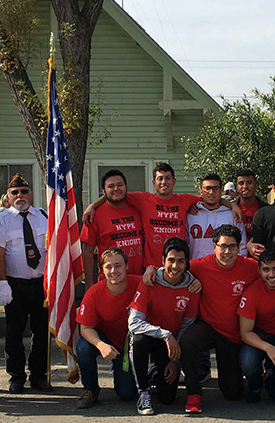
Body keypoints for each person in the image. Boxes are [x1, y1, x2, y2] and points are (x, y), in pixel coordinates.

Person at [83, 162, 240, 275]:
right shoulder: (143, 199)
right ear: (154, 182)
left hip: (177, 266)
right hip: (151, 268)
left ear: (174, 181)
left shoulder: (185, 200)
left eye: (167, 178)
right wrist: (93, 205)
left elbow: (209, 197)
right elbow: (115, 194)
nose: (164, 182)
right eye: (160, 178)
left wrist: (232, 205)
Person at [172, 225, 260, 413]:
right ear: (214, 246)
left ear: (239, 247)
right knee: (187, 341)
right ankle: (194, 394)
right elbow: (171, 269)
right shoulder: (199, 266)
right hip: (208, 326)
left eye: (232, 246)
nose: (227, 251)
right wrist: (151, 272)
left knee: (232, 393)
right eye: (223, 246)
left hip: (234, 334)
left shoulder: (250, 267)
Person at [0, 173, 52, 393]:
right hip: (15, 284)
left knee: (41, 332)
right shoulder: (1, 219)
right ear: (8, 195)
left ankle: (38, 376)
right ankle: (16, 376)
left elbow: (52, 248)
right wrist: (2, 283)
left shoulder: (44, 215)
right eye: (14, 192)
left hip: (41, 284)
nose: (20, 195)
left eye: (24, 191)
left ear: (31, 194)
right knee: (14, 333)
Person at [129, 237, 199, 415]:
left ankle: (155, 372)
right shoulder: (149, 280)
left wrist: (175, 361)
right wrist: (165, 334)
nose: (175, 266)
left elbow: (186, 326)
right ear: (162, 261)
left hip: (170, 344)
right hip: (150, 336)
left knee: (167, 398)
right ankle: (143, 392)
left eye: (181, 261)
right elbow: (134, 323)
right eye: (171, 260)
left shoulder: (191, 287)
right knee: (138, 340)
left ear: (186, 264)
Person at [74, 247, 142, 409]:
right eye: (108, 267)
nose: (113, 271)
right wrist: (101, 345)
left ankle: (142, 374)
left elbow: (168, 280)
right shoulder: (94, 293)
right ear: (102, 270)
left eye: (118, 265)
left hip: (129, 345)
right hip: (105, 339)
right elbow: (85, 328)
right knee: (83, 347)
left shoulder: (141, 283)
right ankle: (90, 389)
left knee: (127, 395)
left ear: (126, 266)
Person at [237, 250, 275, 403]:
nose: (271, 274)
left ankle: (271, 376)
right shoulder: (251, 293)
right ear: (259, 271)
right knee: (248, 362)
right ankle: (256, 386)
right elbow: (245, 333)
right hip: (260, 337)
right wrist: (268, 348)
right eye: (266, 269)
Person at [79, 169, 144, 284]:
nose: (116, 189)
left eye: (120, 185)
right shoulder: (94, 216)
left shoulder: (138, 207)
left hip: (139, 281)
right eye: (111, 186)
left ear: (126, 187)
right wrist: (89, 284)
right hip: (110, 282)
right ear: (103, 191)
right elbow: (87, 253)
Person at [186, 172, 247, 259]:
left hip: (225, 269)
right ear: (201, 192)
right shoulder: (191, 215)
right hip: (196, 268)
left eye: (215, 188)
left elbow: (242, 246)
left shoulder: (232, 215)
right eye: (207, 188)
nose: (211, 192)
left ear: (221, 191)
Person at [234, 169, 267, 240]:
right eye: (241, 183)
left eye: (249, 182)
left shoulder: (267, 210)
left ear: (256, 186)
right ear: (237, 188)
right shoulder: (230, 210)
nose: (245, 186)